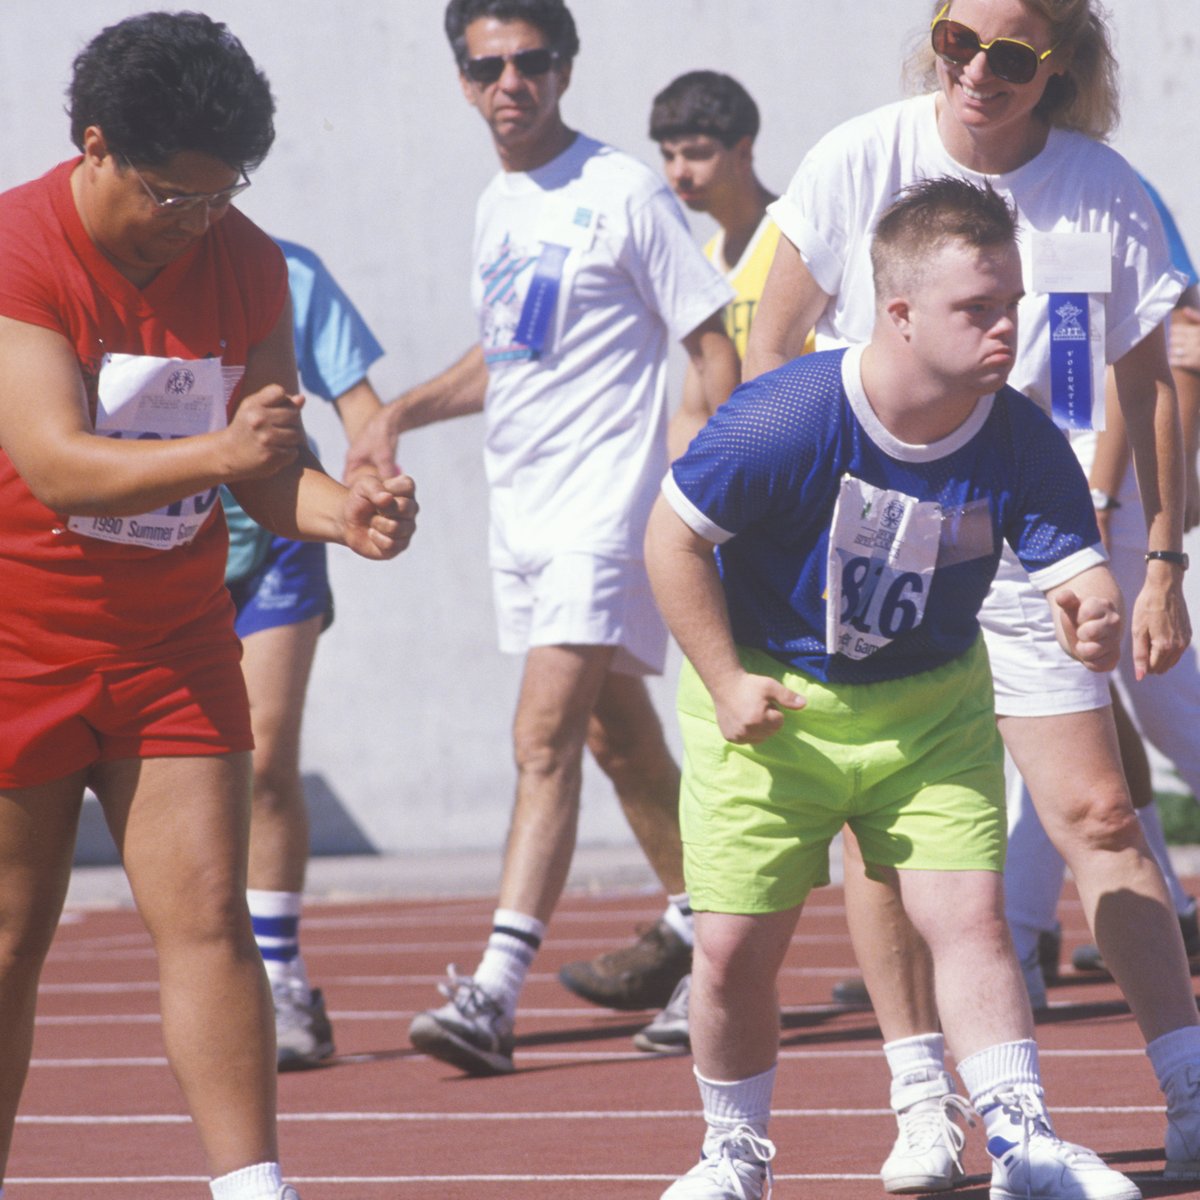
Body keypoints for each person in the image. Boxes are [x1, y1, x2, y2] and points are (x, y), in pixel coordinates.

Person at [744, 0, 1200, 1189]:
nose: (976, 72)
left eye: (1007, 55)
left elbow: (1153, 382)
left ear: (1058, 67)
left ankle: (1191, 1086)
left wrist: (1164, 564)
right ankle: (922, 1105)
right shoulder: (860, 157)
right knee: (884, 837)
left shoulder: (1105, 190)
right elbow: (774, 339)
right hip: (882, 542)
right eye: (957, 42)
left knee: (1102, 812)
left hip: (1051, 535)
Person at [648, 176, 1139, 1200]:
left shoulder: (1022, 434)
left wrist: (1093, 612)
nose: (1007, 328)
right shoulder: (782, 418)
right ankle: (730, 1157)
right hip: (771, 708)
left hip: (930, 711)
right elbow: (671, 541)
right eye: (978, 309)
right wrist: (729, 680)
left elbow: (1073, 566)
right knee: (733, 948)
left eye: (1012, 304)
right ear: (900, 314)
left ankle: (1023, 1143)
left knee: (970, 922)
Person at [0, 13, 417, 1200]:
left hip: (172, 642)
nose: (195, 222)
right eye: (171, 198)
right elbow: (57, 462)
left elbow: (273, 470)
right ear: (94, 146)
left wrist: (352, 513)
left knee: (210, 924)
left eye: (220, 195)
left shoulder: (245, 259)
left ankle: (253, 1189)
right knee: (8, 949)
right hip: (16, 638)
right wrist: (224, 454)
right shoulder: (18, 248)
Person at [345, 0, 738, 1076]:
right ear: (464, 82)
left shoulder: (622, 191)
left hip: (603, 514)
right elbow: (508, 351)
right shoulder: (498, 202)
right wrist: (398, 412)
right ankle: (712, 932)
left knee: (541, 740)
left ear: (563, 70)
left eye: (530, 63)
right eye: (489, 68)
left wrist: (723, 494)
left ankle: (492, 991)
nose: (509, 84)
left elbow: (710, 342)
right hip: (522, 515)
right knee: (617, 740)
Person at [625, 69, 813, 1057]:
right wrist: (681, 502)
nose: (680, 172)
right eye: (667, 154)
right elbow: (694, 405)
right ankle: (709, 960)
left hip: (793, 544)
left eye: (696, 151)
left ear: (744, 148)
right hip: (721, 539)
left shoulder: (796, 244)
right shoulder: (702, 258)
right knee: (731, 763)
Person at [1007, 181, 1200, 992]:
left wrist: (1113, 497)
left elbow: (1162, 354)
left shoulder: (1111, 190)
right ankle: (1031, 937)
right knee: (1058, 711)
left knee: (1159, 703)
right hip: (1016, 484)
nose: (984, 79)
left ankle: (1017, 939)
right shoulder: (954, 175)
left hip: (1095, 499)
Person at [227, 239, 391, 1071]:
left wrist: (373, 474)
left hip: (279, 533)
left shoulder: (281, 270)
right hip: (161, 537)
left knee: (263, 754)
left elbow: (360, 403)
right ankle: (217, 971)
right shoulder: (112, 265)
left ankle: (283, 977)